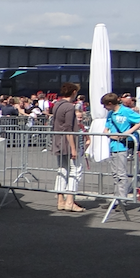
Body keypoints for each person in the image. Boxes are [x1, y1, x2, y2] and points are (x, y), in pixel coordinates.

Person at [102, 92, 140, 203]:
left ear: (110, 103)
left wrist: (128, 132)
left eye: (105, 105)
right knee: (115, 174)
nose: (104, 108)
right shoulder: (111, 114)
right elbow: (106, 129)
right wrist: (109, 134)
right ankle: (116, 199)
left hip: (122, 146)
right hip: (113, 145)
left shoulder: (125, 111)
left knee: (121, 174)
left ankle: (122, 200)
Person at [51, 82, 86, 212]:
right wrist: (73, 148)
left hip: (58, 140)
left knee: (62, 170)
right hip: (68, 141)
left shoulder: (56, 105)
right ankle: (70, 201)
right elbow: (68, 129)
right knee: (75, 170)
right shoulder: (69, 107)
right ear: (73, 92)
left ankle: (61, 200)